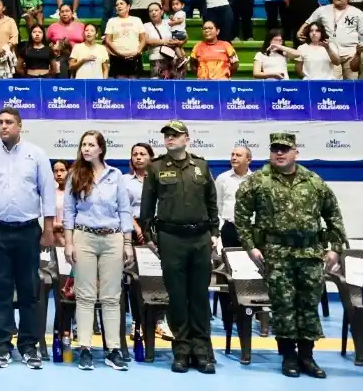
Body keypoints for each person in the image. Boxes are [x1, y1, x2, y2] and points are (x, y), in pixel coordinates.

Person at [234, 132, 346, 378]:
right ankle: (288, 357)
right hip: (276, 253)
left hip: (310, 253)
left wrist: (335, 249)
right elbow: (240, 218)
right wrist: (251, 247)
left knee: (308, 305)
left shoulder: (313, 180)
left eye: (285, 149)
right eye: (275, 149)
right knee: (283, 306)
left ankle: (307, 356)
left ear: (296, 152)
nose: (280, 153)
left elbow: (333, 215)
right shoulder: (258, 181)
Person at [0, 107, 56, 369]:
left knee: (30, 289)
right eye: (0, 122)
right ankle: (3, 344)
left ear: (20, 125)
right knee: (2, 288)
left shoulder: (36, 154)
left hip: (29, 230)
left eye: (9, 122)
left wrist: (49, 228)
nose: (3, 126)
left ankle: (29, 346)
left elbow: (48, 191)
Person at [139, 120, 218, 374]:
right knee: (176, 298)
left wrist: (214, 233)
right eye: (167, 135)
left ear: (187, 138)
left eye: (175, 135)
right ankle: (182, 350)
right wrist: (150, 238)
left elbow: (212, 202)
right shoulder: (156, 168)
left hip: (200, 239)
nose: (170, 139)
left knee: (198, 297)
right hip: (171, 239)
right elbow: (146, 208)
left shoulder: (202, 167)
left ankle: (203, 350)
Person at [62, 131, 133, 372]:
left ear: (101, 149)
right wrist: (69, 243)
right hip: (84, 237)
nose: (86, 149)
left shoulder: (116, 176)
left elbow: (125, 210)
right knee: (85, 296)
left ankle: (113, 350)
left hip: (112, 238)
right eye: (83, 144)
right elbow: (68, 212)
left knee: (112, 297)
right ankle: (85, 348)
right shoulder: (75, 175)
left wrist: (127, 242)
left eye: (91, 145)